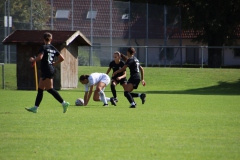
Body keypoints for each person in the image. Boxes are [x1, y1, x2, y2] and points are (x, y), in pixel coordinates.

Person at [25, 32, 69, 113]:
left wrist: (33, 60)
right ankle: (35, 107)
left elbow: (40, 57)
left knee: (50, 89)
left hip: (46, 69)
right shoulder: (52, 47)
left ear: (43, 39)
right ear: (51, 39)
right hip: (50, 69)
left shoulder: (43, 47)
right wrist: (55, 63)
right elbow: (62, 58)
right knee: (41, 89)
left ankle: (64, 103)